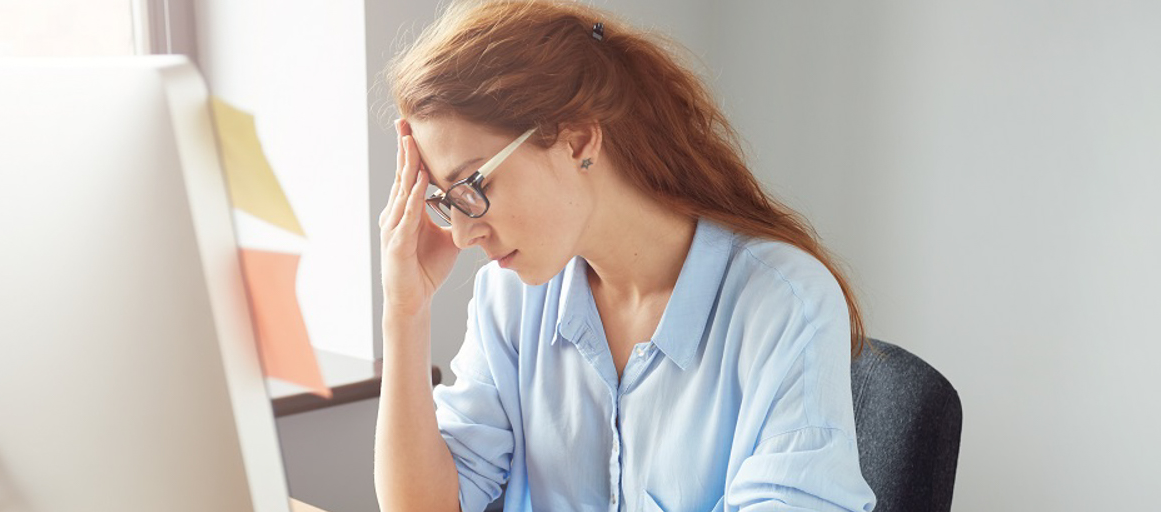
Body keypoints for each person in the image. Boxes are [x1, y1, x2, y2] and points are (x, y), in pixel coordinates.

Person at [374, 1, 877, 511]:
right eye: (444, 201)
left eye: (471, 186)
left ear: (576, 141)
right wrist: (404, 311)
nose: (461, 236)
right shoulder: (508, 300)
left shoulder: (783, 303)